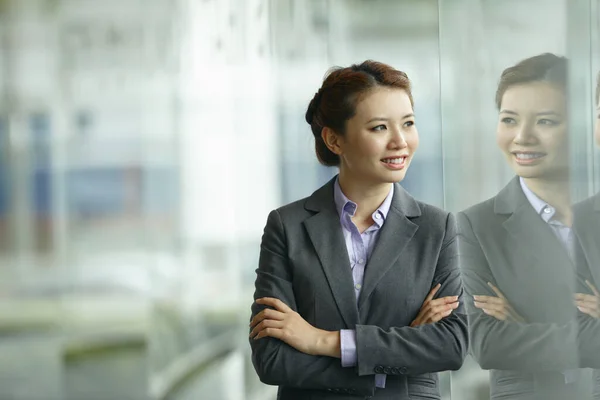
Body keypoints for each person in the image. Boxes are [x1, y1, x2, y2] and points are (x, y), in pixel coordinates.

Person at [249, 60, 468, 399]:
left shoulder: (436, 228)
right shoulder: (287, 226)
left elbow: (450, 345)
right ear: (335, 140)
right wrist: (396, 352)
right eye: (380, 128)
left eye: (408, 123)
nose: (400, 141)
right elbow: (273, 359)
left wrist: (320, 340)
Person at [458, 53, 600, 400]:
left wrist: (527, 330)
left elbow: (510, 342)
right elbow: (489, 344)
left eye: (546, 122)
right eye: (508, 120)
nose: (522, 137)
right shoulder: (476, 225)